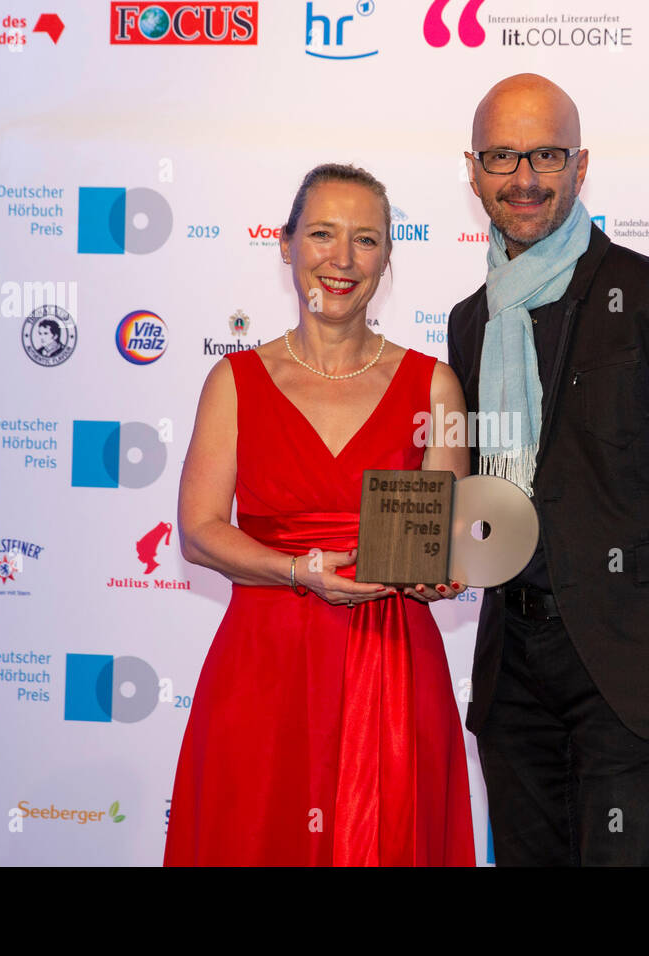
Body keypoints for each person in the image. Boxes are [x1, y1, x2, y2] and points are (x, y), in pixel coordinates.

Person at [447, 75, 649, 866]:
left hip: (639, 674)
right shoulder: (471, 322)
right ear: (473, 169)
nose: (524, 178)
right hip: (514, 675)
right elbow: (484, 493)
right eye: (502, 157)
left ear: (581, 164)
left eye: (547, 154)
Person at [164, 163, 475, 866]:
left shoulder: (437, 385)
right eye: (323, 235)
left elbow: (446, 535)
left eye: (365, 240)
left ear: (387, 257)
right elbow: (200, 531)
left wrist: (442, 573)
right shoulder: (234, 381)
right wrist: (298, 571)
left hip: (392, 665)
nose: (341, 260)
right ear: (286, 244)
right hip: (264, 666)